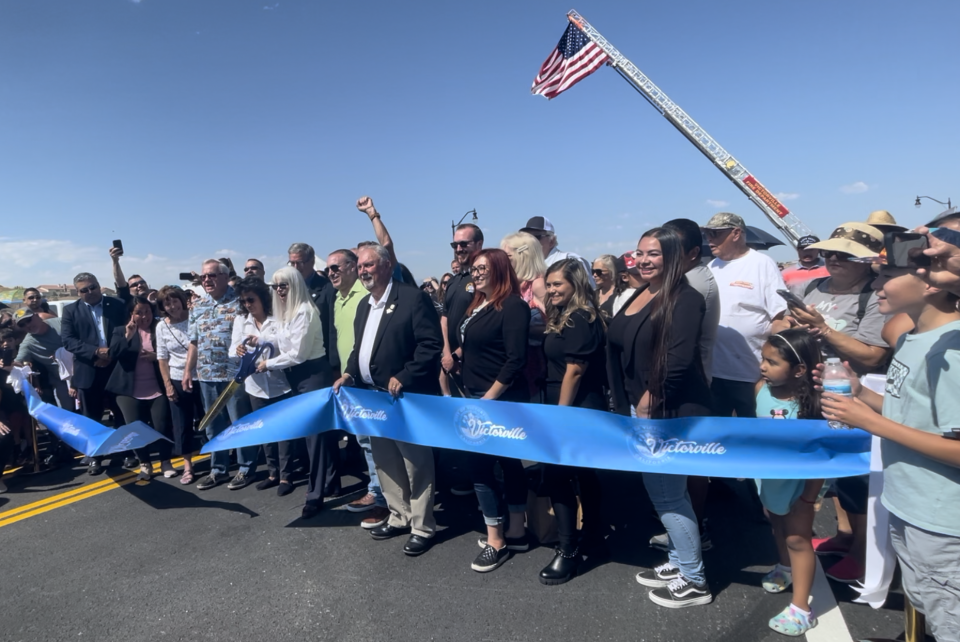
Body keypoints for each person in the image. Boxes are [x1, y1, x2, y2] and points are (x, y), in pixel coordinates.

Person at [819, 245, 960, 642]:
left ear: (931, 285)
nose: (875, 286)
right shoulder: (917, 339)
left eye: (886, 277)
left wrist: (871, 423)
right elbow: (916, 416)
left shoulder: (952, 348)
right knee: (928, 601)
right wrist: (862, 394)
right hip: (909, 504)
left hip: (942, 522)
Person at [776, 222, 891, 582]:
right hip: (810, 392)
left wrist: (824, 329)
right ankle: (845, 535)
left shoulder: (875, 296)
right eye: (829, 252)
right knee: (834, 474)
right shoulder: (810, 285)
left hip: (853, 393)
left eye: (845, 254)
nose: (833, 259)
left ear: (867, 259)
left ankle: (864, 554)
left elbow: (873, 355)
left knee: (857, 475)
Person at [607, 227, 712, 608]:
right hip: (640, 406)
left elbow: (678, 361)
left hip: (666, 411)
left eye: (655, 253)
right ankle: (680, 560)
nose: (645, 260)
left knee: (668, 495)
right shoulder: (642, 292)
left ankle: (695, 579)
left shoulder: (686, 299)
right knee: (665, 493)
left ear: (676, 257)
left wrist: (648, 405)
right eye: (640, 253)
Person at [334, 244, 444, 557]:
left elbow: (430, 345)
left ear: (385, 265)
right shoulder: (364, 305)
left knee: (415, 464)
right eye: (360, 266)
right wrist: (349, 374)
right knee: (385, 462)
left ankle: (423, 526)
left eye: (369, 265)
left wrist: (406, 375)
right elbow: (360, 351)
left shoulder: (411, 298)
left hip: (405, 398)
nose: (363, 271)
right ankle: (399, 516)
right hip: (373, 400)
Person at [456, 248, 530, 573]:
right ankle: (514, 531)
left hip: (498, 400)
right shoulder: (478, 304)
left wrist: (489, 397)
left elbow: (515, 358)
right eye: (474, 269)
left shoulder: (513, 305)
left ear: (499, 269)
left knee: (485, 468)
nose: (476, 273)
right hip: (476, 396)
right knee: (497, 465)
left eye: (483, 268)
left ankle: (497, 539)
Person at [537, 259, 606, 585]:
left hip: (573, 406)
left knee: (557, 476)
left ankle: (568, 550)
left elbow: (574, 370)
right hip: (568, 404)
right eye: (549, 285)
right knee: (582, 474)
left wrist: (561, 415)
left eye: (557, 285)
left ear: (575, 284)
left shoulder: (579, 318)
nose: (551, 291)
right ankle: (594, 532)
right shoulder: (569, 314)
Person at [753, 329, 824, 636]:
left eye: (771, 362)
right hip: (768, 479)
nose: (763, 367)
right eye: (762, 359)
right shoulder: (760, 389)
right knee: (775, 522)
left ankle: (801, 609)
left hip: (799, 485)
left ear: (799, 369)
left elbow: (820, 456)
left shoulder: (812, 406)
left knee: (798, 538)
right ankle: (785, 567)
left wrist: (809, 498)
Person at [261, 266, 336, 519]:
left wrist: (266, 364)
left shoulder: (304, 311)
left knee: (315, 439)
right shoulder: (287, 312)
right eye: (276, 286)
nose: (279, 290)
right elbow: (282, 343)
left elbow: (298, 354)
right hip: (298, 376)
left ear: (295, 286)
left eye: (284, 285)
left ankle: (315, 496)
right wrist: (258, 341)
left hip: (312, 375)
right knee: (317, 436)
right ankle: (329, 484)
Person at [327, 248, 390, 528]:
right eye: (328, 269)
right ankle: (377, 493)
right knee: (365, 443)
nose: (330, 274)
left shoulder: (367, 297)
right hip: (351, 381)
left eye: (336, 268)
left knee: (379, 445)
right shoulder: (337, 299)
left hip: (372, 384)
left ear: (353, 268)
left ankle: (384, 500)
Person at [704, 212, 787, 419]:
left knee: (752, 429)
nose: (709, 239)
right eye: (707, 234)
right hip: (714, 372)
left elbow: (779, 316)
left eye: (715, 233)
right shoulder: (710, 268)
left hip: (752, 373)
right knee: (719, 432)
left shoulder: (762, 263)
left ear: (736, 233)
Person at [185, 259, 258, 491]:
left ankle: (246, 468)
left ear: (226, 277)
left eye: (213, 275)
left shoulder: (240, 302)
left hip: (235, 375)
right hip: (207, 374)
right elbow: (194, 342)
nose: (207, 279)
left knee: (239, 422)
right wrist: (188, 370)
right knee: (213, 426)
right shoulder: (197, 306)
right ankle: (219, 470)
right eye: (204, 276)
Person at [60, 271, 132, 475]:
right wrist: (95, 353)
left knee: (121, 414)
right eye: (84, 290)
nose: (90, 292)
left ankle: (125, 451)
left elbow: (125, 331)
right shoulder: (70, 311)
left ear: (99, 285)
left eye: (93, 287)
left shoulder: (116, 305)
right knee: (91, 418)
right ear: (78, 292)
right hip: (88, 370)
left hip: (116, 368)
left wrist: (110, 354)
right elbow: (68, 340)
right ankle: (96, 456)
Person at [230, 277, 296, 496]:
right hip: (256, 387)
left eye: (251, 299)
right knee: (265, 430)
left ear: (262, 298)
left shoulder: (278, 318)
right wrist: (238, 350)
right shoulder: (242, 321)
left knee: (284, 431)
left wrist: (261, 339)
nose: (248, 304)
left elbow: (285, 345)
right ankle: (272, 473)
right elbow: (233, 350)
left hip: (280, 383)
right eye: (244, 301)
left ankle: (286, 475)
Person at [105, 296, 175, 481]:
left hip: (157, 387)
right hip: (129, 390)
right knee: (136, 429)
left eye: (147, 311)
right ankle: (145, 464)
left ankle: (166, 462)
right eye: (139, 312)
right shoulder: (121, 331)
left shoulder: (159, 329)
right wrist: (128, 336)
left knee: (161, 426)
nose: (144, 316)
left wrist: (156, 357)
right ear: (131, 314)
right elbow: (113, 354)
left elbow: (171, 352)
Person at [155, 286, 200, 484]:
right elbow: (162, 358)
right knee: (181, 423)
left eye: (175, 301)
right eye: (167, 303)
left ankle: (222, 457)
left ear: (182, 300)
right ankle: (188, 466)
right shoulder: (161, 327)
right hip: (176, 377)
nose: (172, 306)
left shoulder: (195, 318)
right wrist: (168, 385)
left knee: (210, 418)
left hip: (202, 375)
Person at [441, 223, 483, 381]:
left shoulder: (484, 280)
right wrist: (447, 354)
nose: (458, 249)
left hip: (474, 361)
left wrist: (457, 354)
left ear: (479, 244)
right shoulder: (453, 281)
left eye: (464, 244)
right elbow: (444, 318)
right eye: (455, 245)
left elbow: (482, 323)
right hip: (450, 361)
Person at [520, 216, 595, 287]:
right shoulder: (525, 266)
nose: (531, 242)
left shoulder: (569, 260)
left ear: (552, 241)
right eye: (527, 238)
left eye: (537, 237)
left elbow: (586, 295)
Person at [500, 232, 548, 313]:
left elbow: (552, 318)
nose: (502, 260)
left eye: (507, 256)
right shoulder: (510, 284)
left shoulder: (538, 284)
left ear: (524, 257)